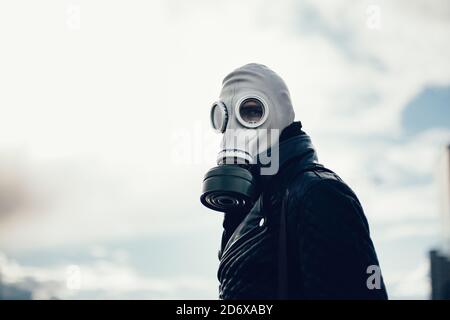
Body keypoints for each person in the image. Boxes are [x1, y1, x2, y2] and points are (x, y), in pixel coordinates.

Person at [200, 63, 388, 299]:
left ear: (278, 115)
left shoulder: (320, 194)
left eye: (251, 112)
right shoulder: (255, 206)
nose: (233, 130)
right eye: (223, 118)